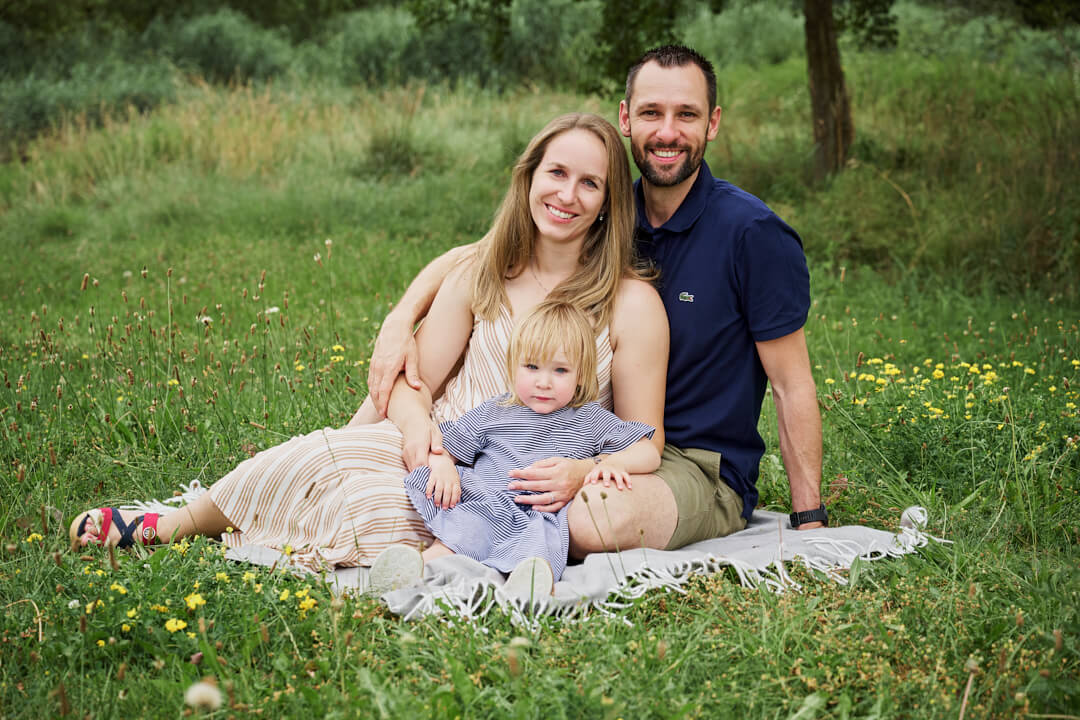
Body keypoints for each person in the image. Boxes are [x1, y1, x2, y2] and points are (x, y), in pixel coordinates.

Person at [68, 112, 670, 574]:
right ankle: (174, 522)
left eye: (589, 183)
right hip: (440, 450)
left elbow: (646, 436)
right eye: (556, 174)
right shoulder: (484, 272)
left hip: (519, 479)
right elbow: (418, 383)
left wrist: (584, 470)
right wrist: (417, 437)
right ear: (530, 179)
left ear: (607, 204)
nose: (567, 195)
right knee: (321, 456)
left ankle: (358, 539)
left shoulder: (629, 303)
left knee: (364, 507)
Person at [365, 45, 825, 558]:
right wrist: (401, 316)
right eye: (652, 113)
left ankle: (474, 550)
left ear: (712, 123)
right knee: (529, 495)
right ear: (627, 119)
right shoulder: (604, 210)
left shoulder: (752, 234)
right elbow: (474, 256)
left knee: (587, 517)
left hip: (697, 465)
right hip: (591, 441)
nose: (667, 132)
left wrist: (808, 521)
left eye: (687, 115)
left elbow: (792, 385)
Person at [368, 301, 659, 595]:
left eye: (560, 370)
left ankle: (529, 583)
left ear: (580, 376)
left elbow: (648, 450)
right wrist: (443, 466)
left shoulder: (589, 418)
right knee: (463, 530)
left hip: (540, 513)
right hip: (488, 501)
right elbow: (447, 445)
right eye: (532, 367)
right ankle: (417, 568)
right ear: (514, 366)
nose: (543, 382)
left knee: (541, 543)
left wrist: (610, 463)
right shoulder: (496, 411)